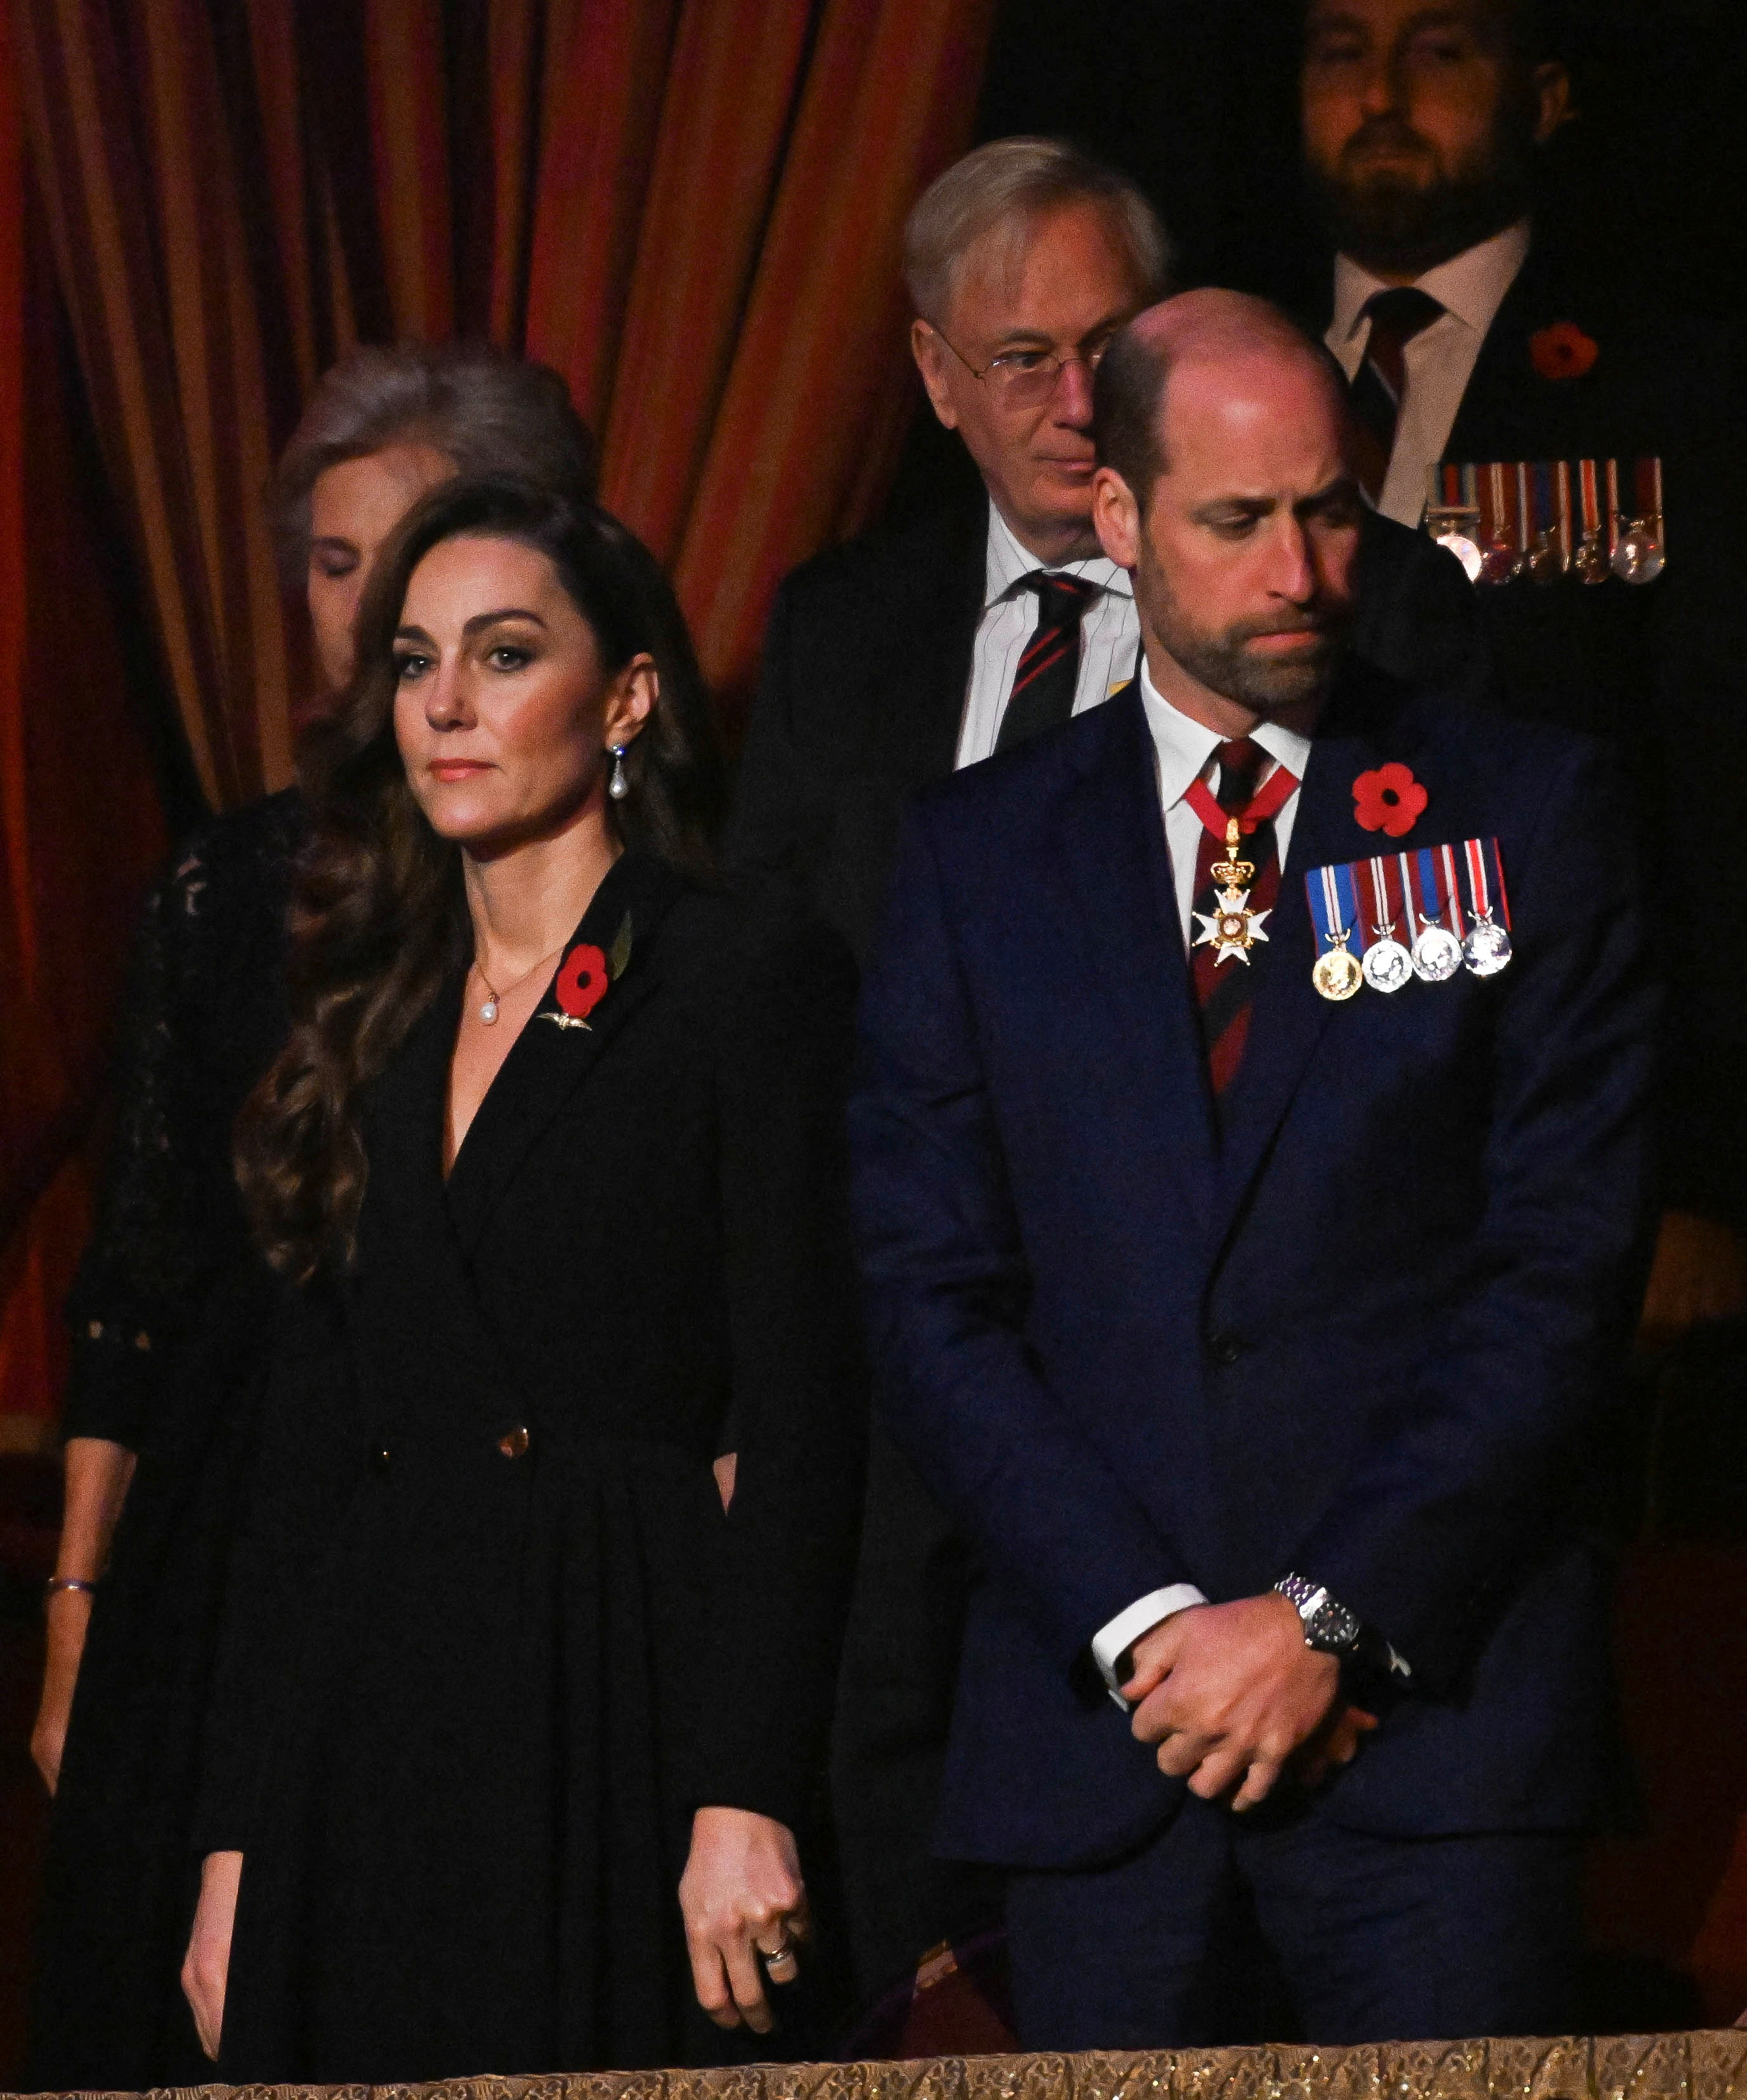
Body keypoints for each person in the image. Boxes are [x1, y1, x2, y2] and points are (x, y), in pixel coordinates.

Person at [729, 136, 1481, 2017]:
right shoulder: (846, 639)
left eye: (1107, 349)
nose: (1074, 408)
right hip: (931, 1460)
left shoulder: (1378, 631)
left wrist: (1284, 1618)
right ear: (929, 377)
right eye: (1018, 361)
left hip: (1304, 1535)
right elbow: (779, 1050)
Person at [850, 289, 1656, 2047]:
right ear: (1121, 520)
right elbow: (930, 1300)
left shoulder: (1524, 814)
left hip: (1436, 1747)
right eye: (1237, 520)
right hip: (1107, 1756)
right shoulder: (978, 860)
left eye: (1328, 510)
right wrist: (1151, 1630)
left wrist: (1326, 1621)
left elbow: (1561, 1270)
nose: (1300, 568)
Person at [177, 476, 864, 2083]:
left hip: (621, 1679)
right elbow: (303, 1469)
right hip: (378, 1711)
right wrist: (235, 1844)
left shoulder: (735, 969)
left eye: (502, 655)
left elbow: (810, 1405)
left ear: (625, 695)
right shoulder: (374, 1014)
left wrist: (744, 1787)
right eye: (416, 664)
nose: (447, 708)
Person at [27, 343, 600, 2093]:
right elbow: (139, 1282)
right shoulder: (222, 883)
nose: (365, 613)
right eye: (336, 565)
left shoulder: (587, 888)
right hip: (217, 1535)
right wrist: (73, 1619)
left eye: (412, 554)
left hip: (467, 1526)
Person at [1301, 0, 1747, 1343]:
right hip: (1280, 1121)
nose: (1377, 97)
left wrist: (1706, 1170)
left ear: (1542, 97)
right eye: (1340, 52)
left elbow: (1712, 790)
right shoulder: (1218, 377)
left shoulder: (1663, 395)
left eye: (1435, 54)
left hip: (1559, 1120)